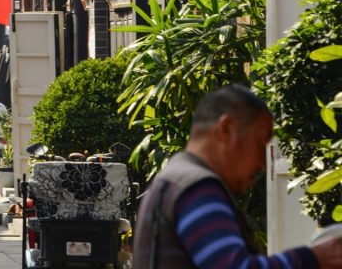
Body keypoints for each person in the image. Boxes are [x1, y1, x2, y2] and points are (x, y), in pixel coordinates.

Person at [132, 85, 342, 269]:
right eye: (260, 144)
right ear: (226, 129)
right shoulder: (198, 187)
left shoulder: (176, 178)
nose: (263, 163)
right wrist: (313, 258)